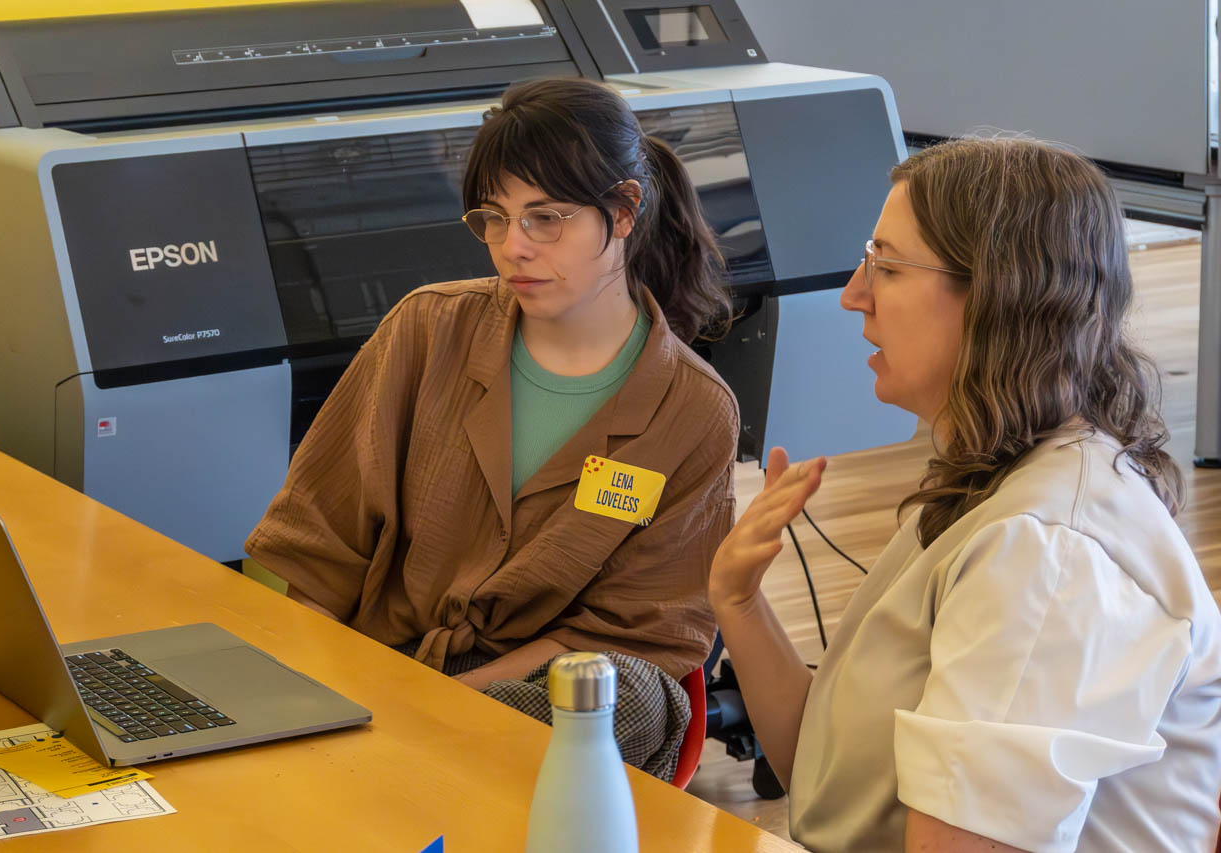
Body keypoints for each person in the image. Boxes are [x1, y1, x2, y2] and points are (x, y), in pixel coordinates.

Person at [710, 138, 1221, 851]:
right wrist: (738, 599)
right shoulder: (993, 476)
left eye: (885, 267)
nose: (854, 295)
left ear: (996, 295)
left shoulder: (1045, 551)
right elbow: (826, 784)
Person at [246, 78, 739, 781]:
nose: (514, 248)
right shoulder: (425, 329)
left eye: (547, 218)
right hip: (378, 661)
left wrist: (432, 706)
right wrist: (327, 698)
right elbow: (317, 551)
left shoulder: (693, 409)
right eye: (495, 219)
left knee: (625, 701)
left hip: (543, 683)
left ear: (625, 209)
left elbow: (636, 637)